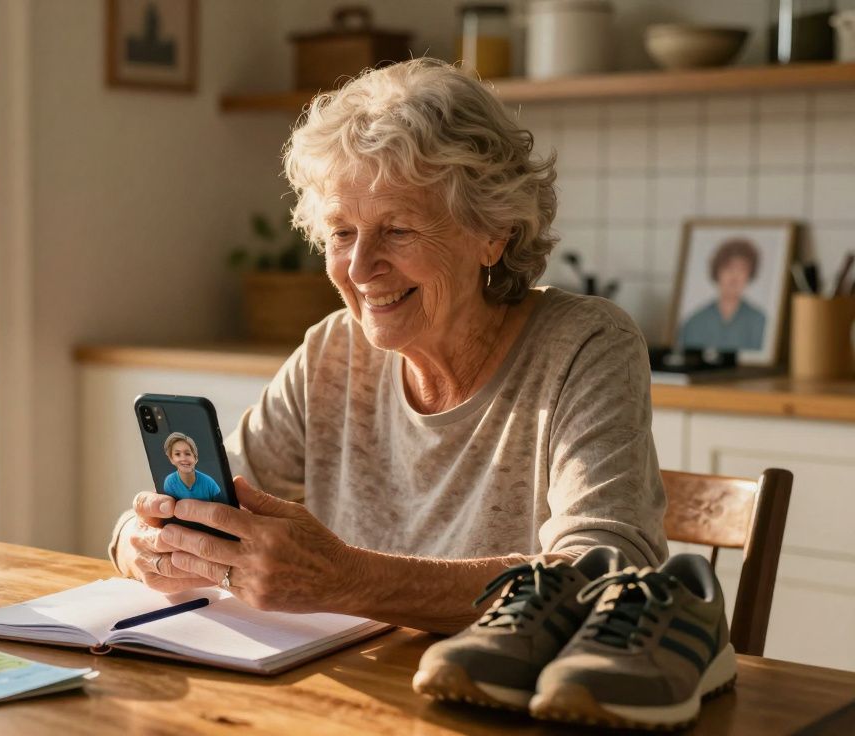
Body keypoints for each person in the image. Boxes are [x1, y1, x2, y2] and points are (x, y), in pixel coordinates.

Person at [108, 58, 667, 634]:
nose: (359, 267)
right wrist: (142, 542)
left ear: (493, 233)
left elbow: (607, 578)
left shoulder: (585, 345)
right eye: (341, 233)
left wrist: (347, 579)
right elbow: (206, 509)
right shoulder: (332, 352)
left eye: (398, 231)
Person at [678, 238, 767, 352]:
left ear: (749, 274)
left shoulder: (759, 321)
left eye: (741, 269)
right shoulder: (694, 322)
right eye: (728, 268)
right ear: (717, 272)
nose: (734, 276)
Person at [160, 432, 223, 501]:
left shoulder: (209, 483)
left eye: (187, 454)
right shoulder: (170, 482)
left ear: (195, 458)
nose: (183, 458)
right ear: (171, 459)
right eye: (177, 454)